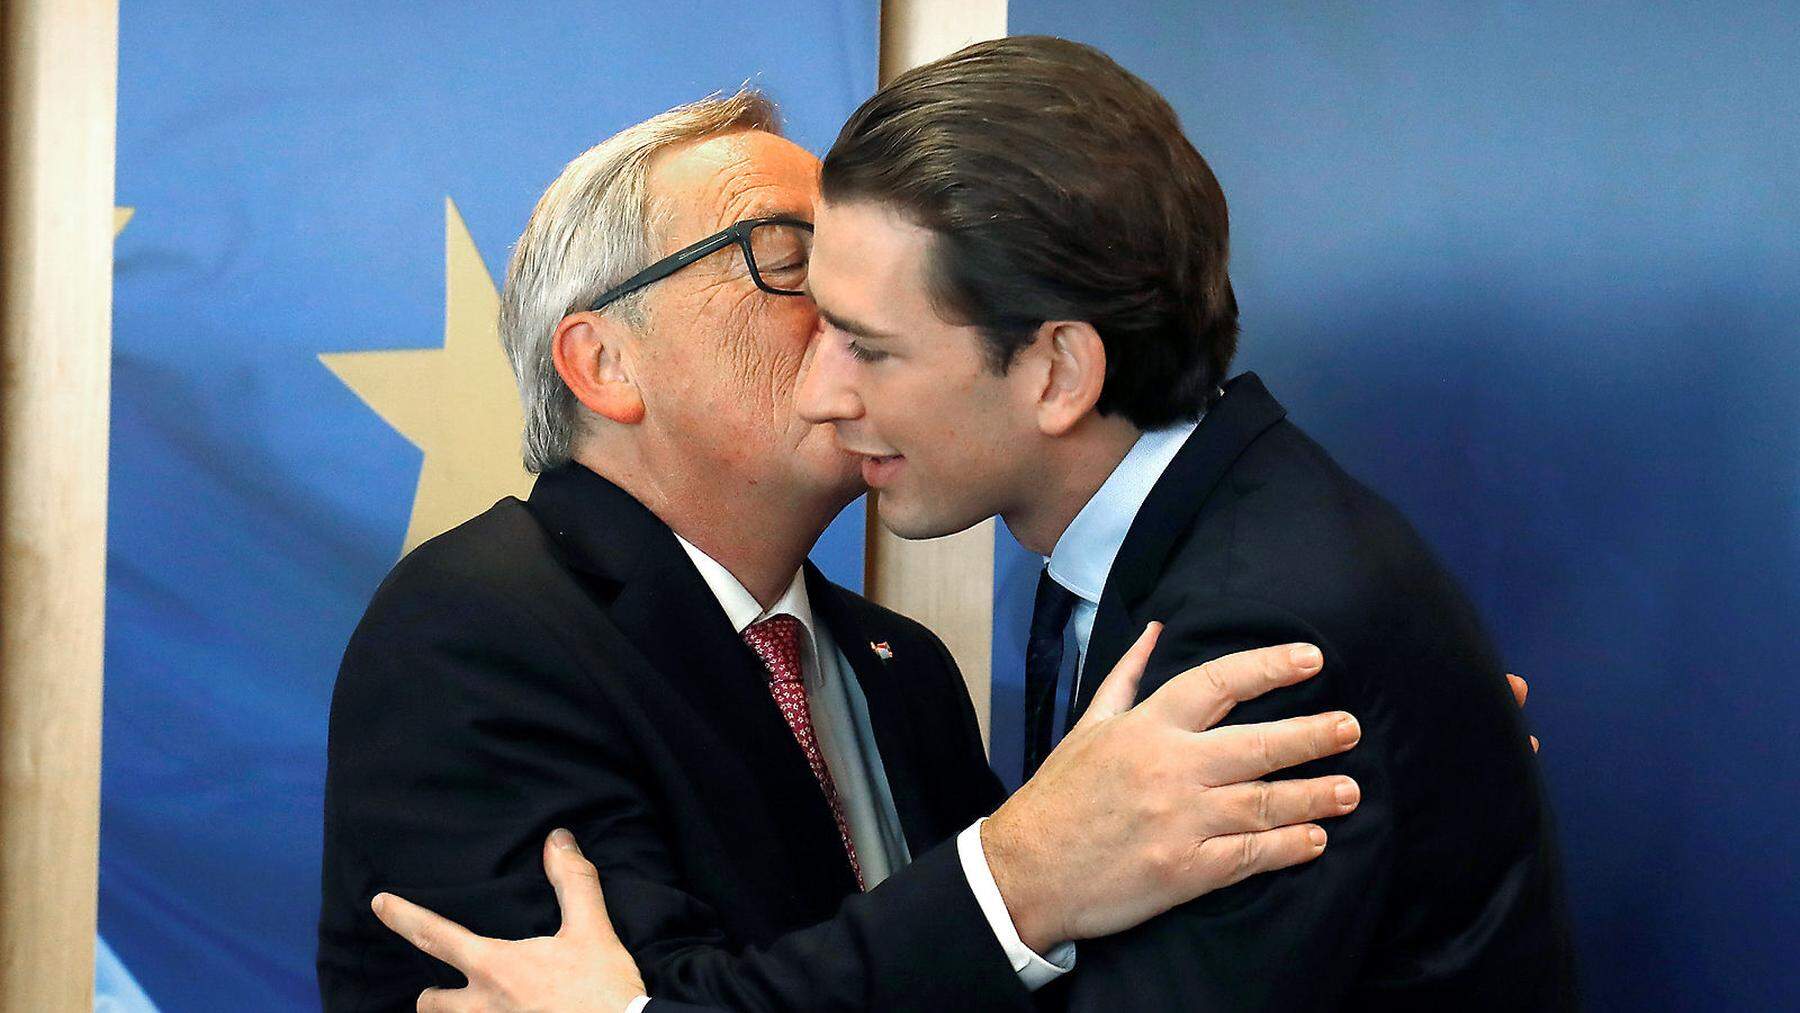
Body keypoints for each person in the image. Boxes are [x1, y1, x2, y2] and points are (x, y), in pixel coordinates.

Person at [318, 92, 1368, 1012]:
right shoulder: (473, 632)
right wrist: (1014, 876)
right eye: (793, 264)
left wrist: (1385, 804)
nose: (854, 313)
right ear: (604, 362)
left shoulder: (897, 664)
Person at [793, 35, 1580, 1009]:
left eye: (867, 348)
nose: (816, 390)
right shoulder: (1176, 540)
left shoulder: (1255, 637)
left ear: (1059, 372)